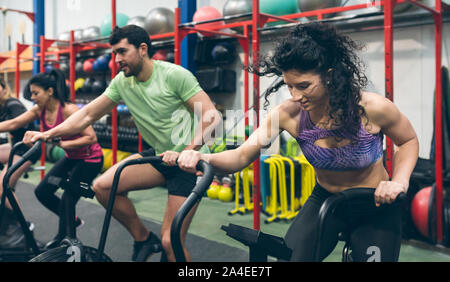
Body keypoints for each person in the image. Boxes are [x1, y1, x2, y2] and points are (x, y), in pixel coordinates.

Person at [173, 22, 419, 262]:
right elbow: (241, 155)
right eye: (289, 85)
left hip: (374, 203)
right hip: (325, 200)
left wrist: (399, 181)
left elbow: (407, 140)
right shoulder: (288, 114)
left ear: (330, 76)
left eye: (304, 86)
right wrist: (202, 157)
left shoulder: (371, 108)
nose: (295, 96)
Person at [24, 24, 220, 262]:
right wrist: (48, 133)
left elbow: (211, 116)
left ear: (143, 49)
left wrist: (189, 152)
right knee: (102, 188)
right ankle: (144, 239)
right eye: (114, 53)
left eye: (122, 51)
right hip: (159, 156)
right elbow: (86, 115)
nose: (116, 59)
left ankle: (163, 246)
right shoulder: (121, 82)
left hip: (190, 162)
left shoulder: (173, 75)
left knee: (171, 241)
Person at [9, 69, 103, 249]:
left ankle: (64, 242)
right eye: (31, 93)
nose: (32, 97)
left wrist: (60, 143)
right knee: (43, 191)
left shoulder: (69, 110)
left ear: (50, 91)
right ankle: (71, 222)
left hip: (90, 160)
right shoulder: (40, 110)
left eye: (36, 93)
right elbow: (14, 124)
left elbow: (91, 138)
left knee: (68, 198)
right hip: (72, 158)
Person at [0, 77, 40, 249]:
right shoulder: (2, 106)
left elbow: (16, 123)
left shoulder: (13, 103)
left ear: (3, 88)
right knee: (4, 184)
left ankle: (24, 224)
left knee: (3, 185)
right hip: (17, 146)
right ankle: (6, 215)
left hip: (29, 148)